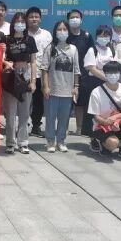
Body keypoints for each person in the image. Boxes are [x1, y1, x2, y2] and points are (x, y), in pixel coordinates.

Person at [40, 21, 80, 153]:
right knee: (50, 117)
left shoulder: (73, 49)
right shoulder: (50, 48)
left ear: (68, 32)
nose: (62, 32)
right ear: (55, 32)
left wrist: (76, 86)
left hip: (67, 91)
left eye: (64, 29)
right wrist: (46, 86)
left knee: (64, 118)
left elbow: (76, 70)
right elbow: (44, 69)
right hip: (53, 90)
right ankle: (50, 141)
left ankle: (61, 141)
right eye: (59, 29)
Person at [88, 61, 121, 161]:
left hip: (118, 123)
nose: (113, 75)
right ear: (105, 74)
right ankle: (100, 142)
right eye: (109, 73)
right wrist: (108, 123)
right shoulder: (96, 91)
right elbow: (96, 117)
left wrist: (114, 118)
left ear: (120, 73)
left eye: (116, 72)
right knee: (113, 144)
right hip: (102, 126)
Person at [2, 12, 37, 154]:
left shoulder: (30, 39)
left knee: (24, 113)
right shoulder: (6, 39)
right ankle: (10, 142)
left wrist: (33, 81)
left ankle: (23, 142)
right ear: (13, 23)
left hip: (26, 77)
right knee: (10, 114)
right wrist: (6, 63)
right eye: (17, 21)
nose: (20, 24)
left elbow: (33, 62)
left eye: (22, 21)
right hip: (11, 79)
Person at [26, 6, 52, 137]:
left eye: (36, 17)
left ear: (40, 19)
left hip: (41, 73)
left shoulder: (47, 35)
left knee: (38, 102)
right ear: (27, 19)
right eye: (31, 17)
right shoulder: (23, 34)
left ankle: (36, 125)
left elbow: (51, 54)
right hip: (25, 73)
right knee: (24, 101)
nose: (34, 19)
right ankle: (23, 126)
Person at [66, 10, 92, 134]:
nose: (75, 19)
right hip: (65, 73)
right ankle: (64, 127)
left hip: (83, 74)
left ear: (81, 20)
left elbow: (92, 53)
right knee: (65, 102)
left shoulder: (86, 36)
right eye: (72, 17)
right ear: (68, 20)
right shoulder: (64, 35)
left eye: (77, 17)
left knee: (80, 103)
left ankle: (79, 128)